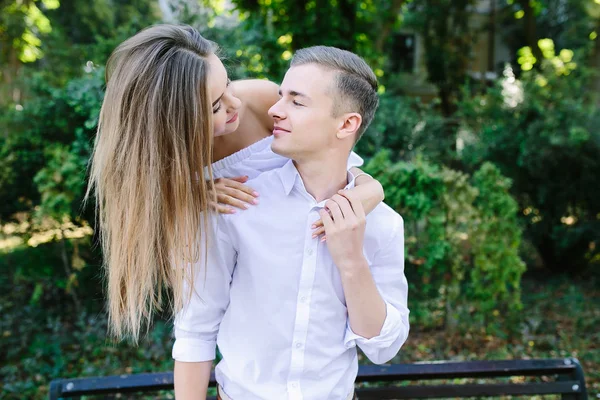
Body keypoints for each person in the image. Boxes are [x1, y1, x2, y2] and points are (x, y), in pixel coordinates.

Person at [85, 24, 384, 344]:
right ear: (173, 123)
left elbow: (335, 157)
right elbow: (169, 256)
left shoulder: (260, 101)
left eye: (227, 83)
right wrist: (188, 195)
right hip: (244, 300)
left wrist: (370, 187)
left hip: (318, 274)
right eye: (215, 106)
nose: (234, 103)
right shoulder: (159, 169)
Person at [173, 46, 409, 400]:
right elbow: (196, 329)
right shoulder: (235, 205)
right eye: (281, 95)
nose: (274, 109)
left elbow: (383, 348)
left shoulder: (382, 224)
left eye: (296, 102)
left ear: (346, 123)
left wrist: (351, 262)